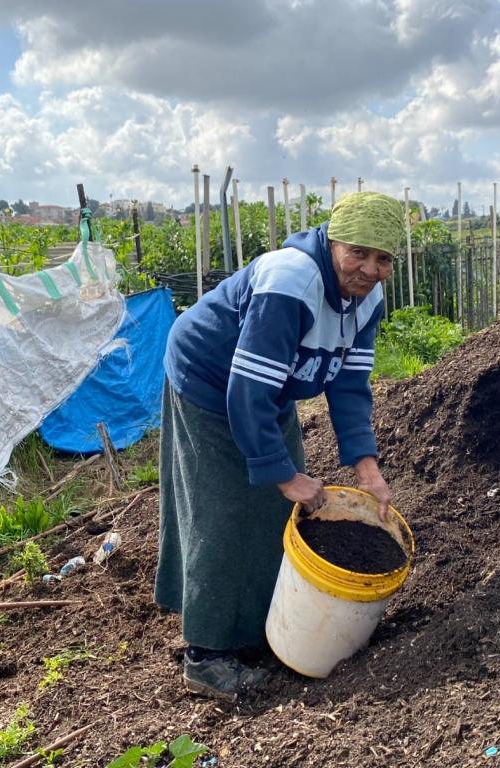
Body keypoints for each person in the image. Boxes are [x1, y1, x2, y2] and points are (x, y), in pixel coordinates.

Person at [155, 191, 403, 701]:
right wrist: (285, 474)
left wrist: (367, 467)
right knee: (222, 510)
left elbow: (350, 386)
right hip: (210, 381)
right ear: (332, 242)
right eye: (357, 251)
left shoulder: (368, 299)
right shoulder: (291, 281)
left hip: (270, 386)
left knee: (275, 510)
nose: (368, 268)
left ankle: (259, 626)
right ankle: (207, 655)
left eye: (383, 259)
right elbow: (245, 390)